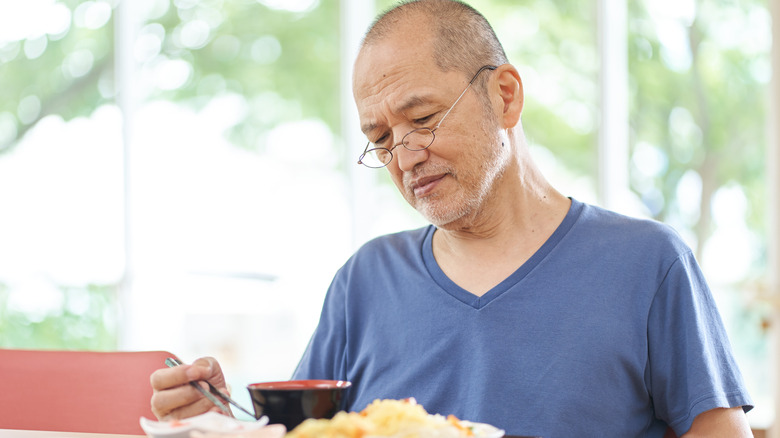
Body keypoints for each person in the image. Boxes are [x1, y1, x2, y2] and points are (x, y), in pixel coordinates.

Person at [150, 0, 754, 436]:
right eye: (381, 137)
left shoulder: (648, 264)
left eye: (423, 117)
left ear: (505, 96)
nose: (405, 155)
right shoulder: (365, 282)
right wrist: (217, 426)